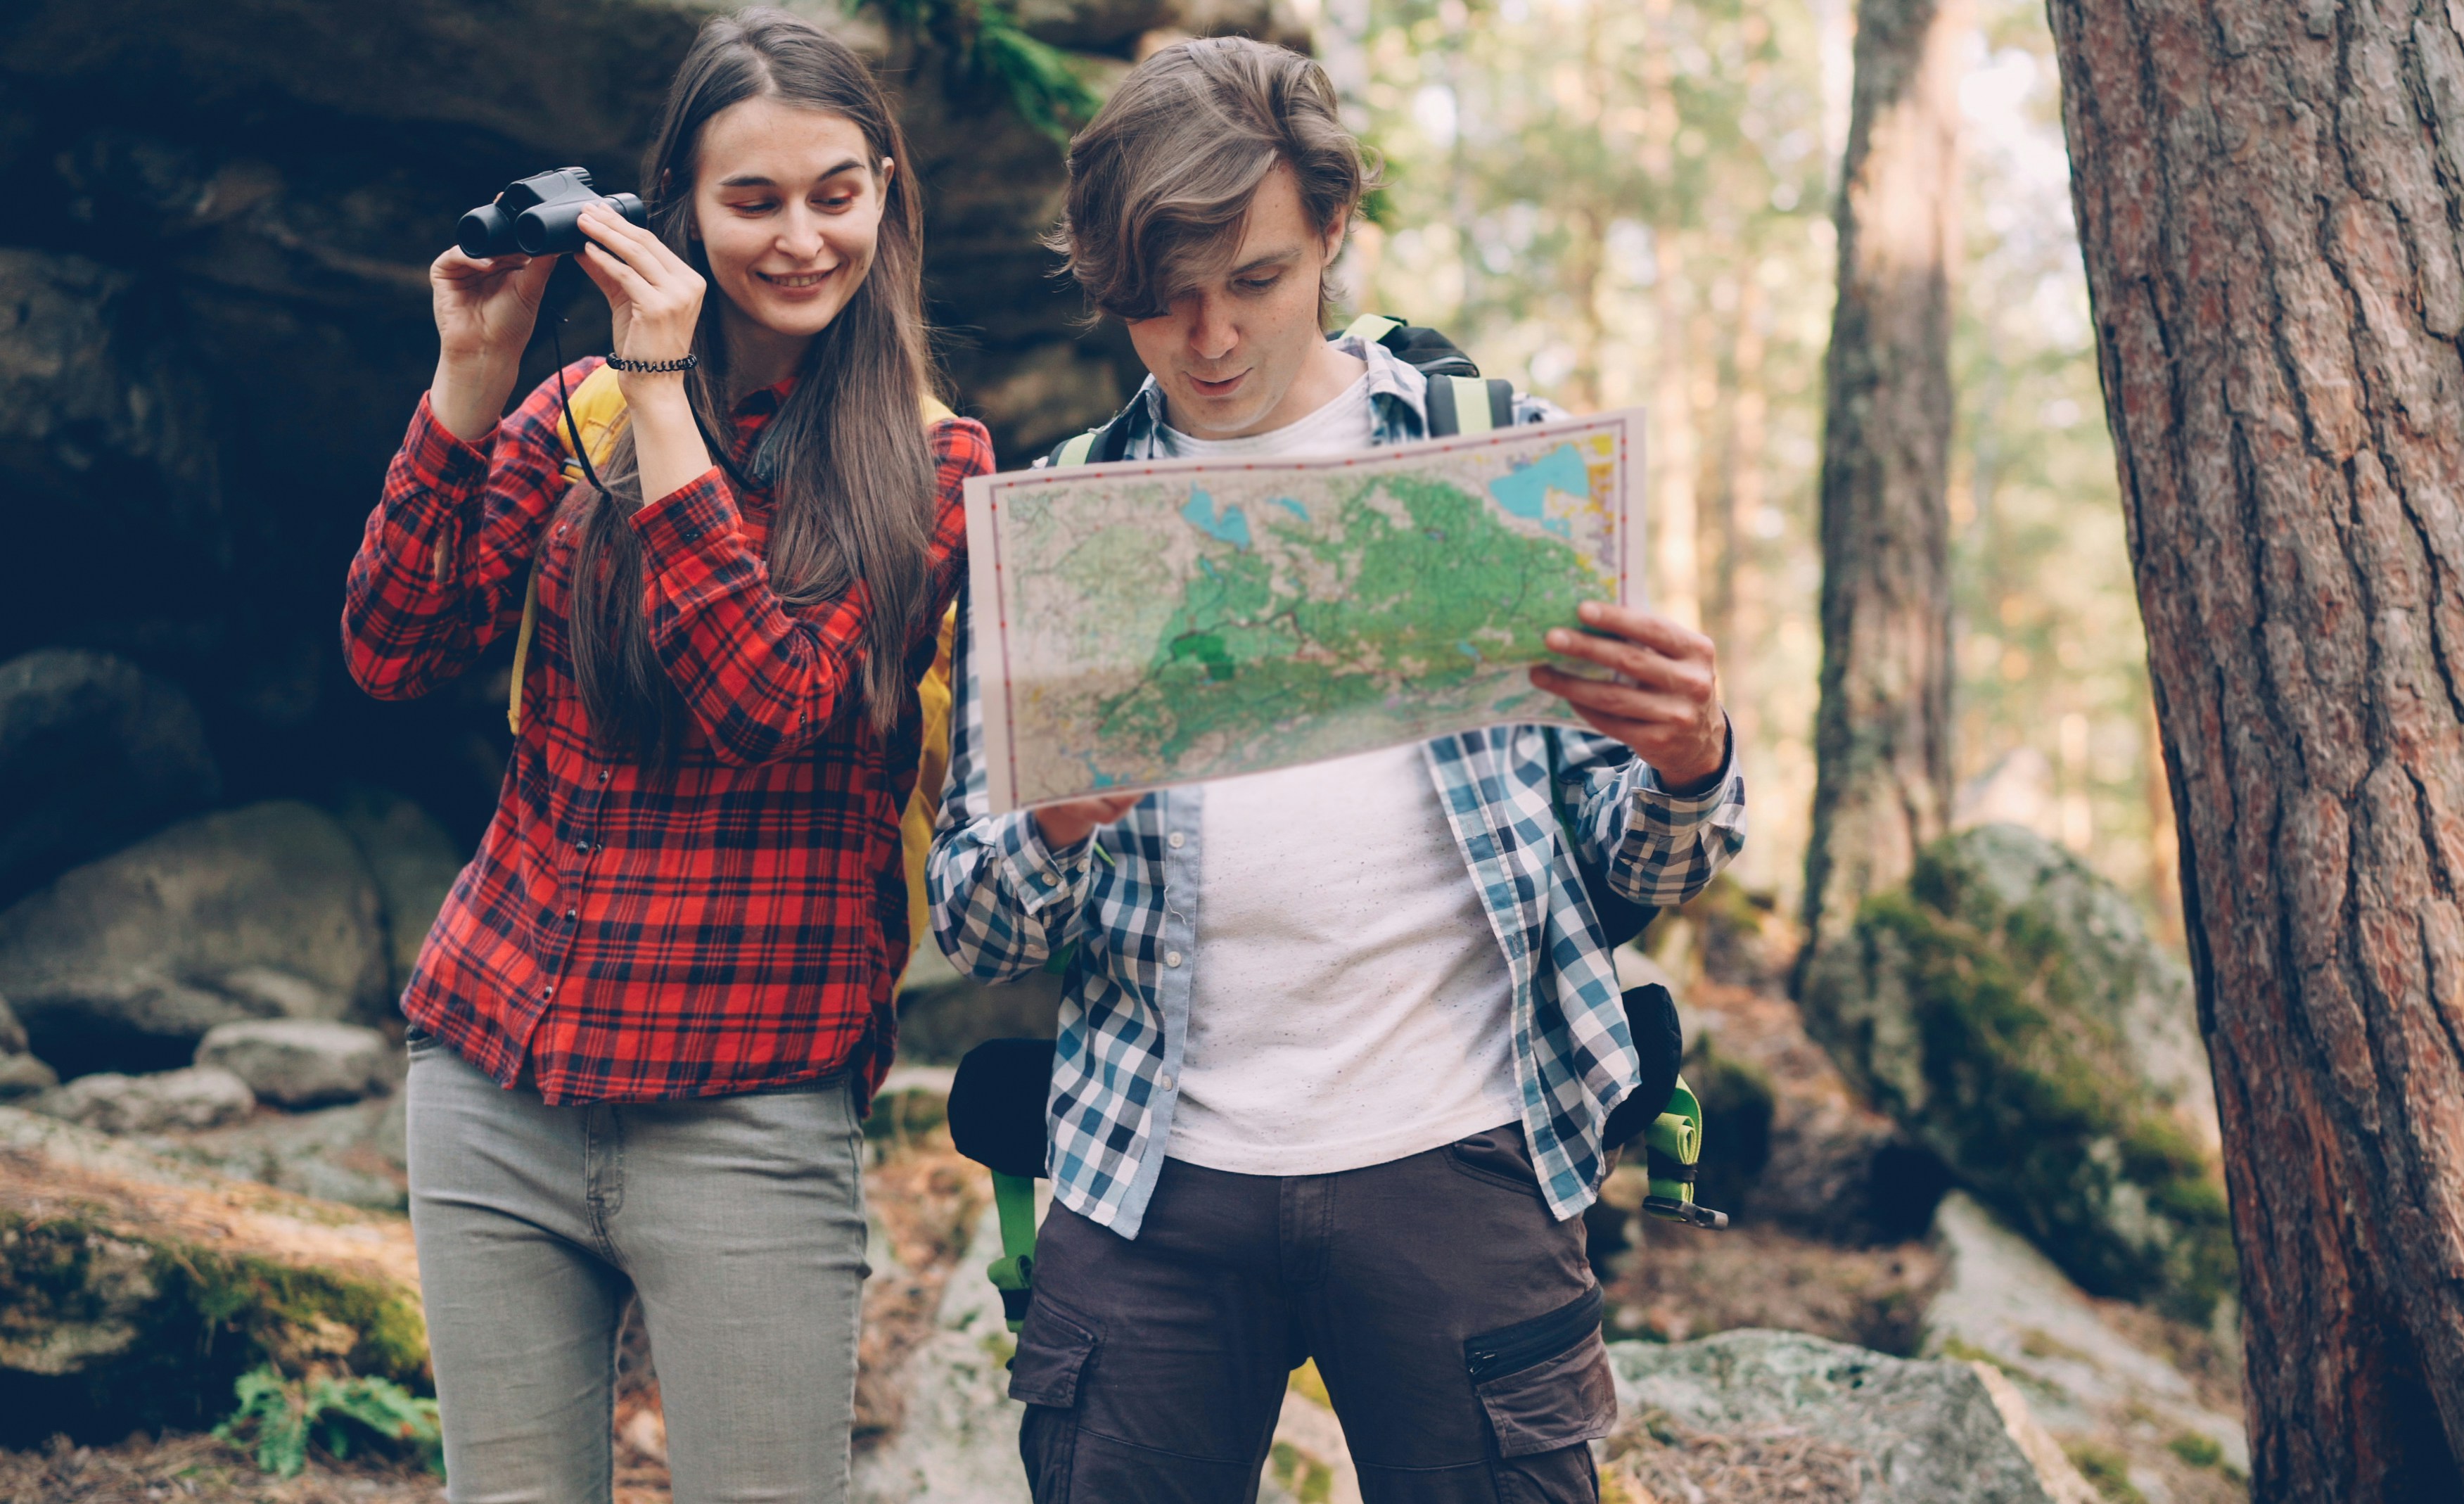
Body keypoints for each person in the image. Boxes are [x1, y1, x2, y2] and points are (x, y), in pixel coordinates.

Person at [926, 37, 1747, 1504]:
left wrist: (1688, 765)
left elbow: (1628, 871)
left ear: (1331, 236)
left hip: (1463, 1156)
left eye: (1255, 281)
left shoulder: (1491, 462)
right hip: (1145, 1176)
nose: (1212, 338)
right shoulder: (1061, 523)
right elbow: (976, 922)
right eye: (1161, 302)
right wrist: (1051, 823)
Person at [338, 11, 992, 1500]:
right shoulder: (572, 412)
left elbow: (771, 702)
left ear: (885, 191)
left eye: (834, 192)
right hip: (493, 1071)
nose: (799, 237)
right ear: (679, 210)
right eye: (750, 201)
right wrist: (471, 371)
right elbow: (391, 649)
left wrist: (656, 390)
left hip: (750, 1107)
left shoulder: (939, 464)